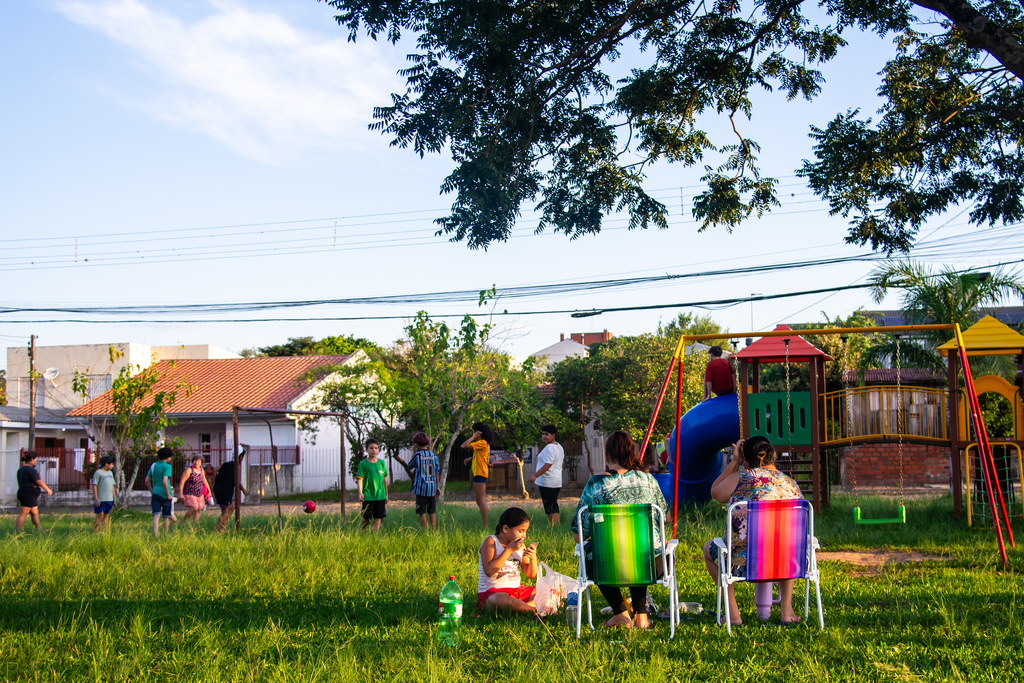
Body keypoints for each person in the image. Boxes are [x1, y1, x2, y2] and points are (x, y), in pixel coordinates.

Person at [703, 436, 804, 626]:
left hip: (744, 564)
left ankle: (733, 615)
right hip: (788, 563)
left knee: (709, 548)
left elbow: (715, 492)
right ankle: (787, 611)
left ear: (746, 461)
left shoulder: (740, 479)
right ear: (772, 458)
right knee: (788, 541)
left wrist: (733, 463)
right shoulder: (791, 484)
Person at [570, 430, 667, 629]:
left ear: (606, 455)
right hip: (652, 564)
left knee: (594, 553)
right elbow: (663, 518)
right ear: (632, 452)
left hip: (607, 566)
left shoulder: (596, 484)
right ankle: (641, 616)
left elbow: (579, 533)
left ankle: (621, 613)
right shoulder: (649, 480)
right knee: (640, 547)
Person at [477, 507, 539, 614]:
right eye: (521, 531)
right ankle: (534, 609)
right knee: (498, 600)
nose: (524, 536)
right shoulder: (491, 541)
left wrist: (533, 558)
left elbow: (530, 574)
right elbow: (489, 571)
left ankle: (521, 607)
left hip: (517, 590)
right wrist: (509, 550)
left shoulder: (521, 545)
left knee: (548, 589)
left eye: (525, 531)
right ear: (505, 529)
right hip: (492, 593)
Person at [527, 424, 564, 526]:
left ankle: (553, 527)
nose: (544, 436)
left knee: (549, 506)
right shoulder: (559, 447)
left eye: (546, 434)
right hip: (556, 480)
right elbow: (561, 463)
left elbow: (547, 464)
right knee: (553, 504)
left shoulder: (549, 448)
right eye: (543, 434)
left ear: (553, 435)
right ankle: (557, 526)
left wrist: (535, 476)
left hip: (547, 482)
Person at [400, 432, 439, 530]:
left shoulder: (417, 455)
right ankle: (434, 531)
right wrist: (437, 486)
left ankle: (425, 532)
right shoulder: (433, 455)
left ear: (416, 444)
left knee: (422, 511)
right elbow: (437, 471)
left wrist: (413, 452)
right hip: (432, 487)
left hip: (421, 488)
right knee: (431, 511)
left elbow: (410, 466)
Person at [462, 422, 493, 528]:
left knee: (481, 500)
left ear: (477, 432)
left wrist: (473, 437)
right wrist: (471, 458)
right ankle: (485, 525)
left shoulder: (482, 442)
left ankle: (485, 526)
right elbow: (482, 456)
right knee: (480, 500)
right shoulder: (484, 443)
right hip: (481, 472)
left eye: (473, 431)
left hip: (480, 472)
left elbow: (464, 445)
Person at [15, 451, 53, 533]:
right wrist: (47, 489)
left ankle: (40, 530)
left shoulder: (21, 470)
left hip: (26, 492)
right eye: (36, 459)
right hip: (28, 494)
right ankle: (17, 533)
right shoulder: (31, 470)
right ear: (31, 459)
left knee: (34, 512)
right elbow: (38, 481)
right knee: (23, 514)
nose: (36, 460)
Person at [213, 446, 249, 532]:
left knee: (232, 507)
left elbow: (215, 470)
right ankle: (216, 531)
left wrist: (215, 483)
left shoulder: (225, 464)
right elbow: (237, 482)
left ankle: (223, 527)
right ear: (240, 457)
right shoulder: (237, 467)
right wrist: (244, 490)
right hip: (225, 491)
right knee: (225, 510)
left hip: (219, 489)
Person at [356, 438, 388, 532]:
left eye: (376, 448)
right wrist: (360, 493)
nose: (373, 450)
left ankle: (374, 538)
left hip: (380, 496)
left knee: (378, 518)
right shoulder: (363, 464)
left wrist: (386, 494)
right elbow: (360, 479)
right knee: (367, 518)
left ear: (378, 449)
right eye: (371, 448)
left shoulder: (382, 463)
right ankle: (361, 530)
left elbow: (384, 480)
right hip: (368, 496)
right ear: (366, 449)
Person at [150, 447, 176, 537]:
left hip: (155, 493)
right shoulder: (168, 466)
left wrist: (152, 491)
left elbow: (146, 480)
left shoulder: (154, 465)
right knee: (166, 516)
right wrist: (168, 494)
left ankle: (155, 535)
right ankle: (165, 535)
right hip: (165, 494)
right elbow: (165, 481)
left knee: (156, 515)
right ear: (168, 457)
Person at [178, 455, 213, 524]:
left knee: (199, 509)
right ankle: (182, 521)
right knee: (194, 507)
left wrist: (209, 491)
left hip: (199, 493)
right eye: (195, 461)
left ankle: (195, 525)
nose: (196, 462)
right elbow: (182, 482)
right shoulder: (189, 470)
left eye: (198, 461)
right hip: (190, 492)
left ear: (201, 463)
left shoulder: (201, 470)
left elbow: (204, 480)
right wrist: (180, 494)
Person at [91, 455, 116, 532]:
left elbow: (112, 486)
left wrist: (114, 498)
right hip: (101, 499)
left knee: (106, 515)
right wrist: (96, 498)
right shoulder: (98, 473)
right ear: (106, 464)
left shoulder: (110, 473)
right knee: (100, 515)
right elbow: (94, 485)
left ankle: (105, 532)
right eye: (111, 464)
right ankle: (96, 532)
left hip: (109, 498)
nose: (112, 466)